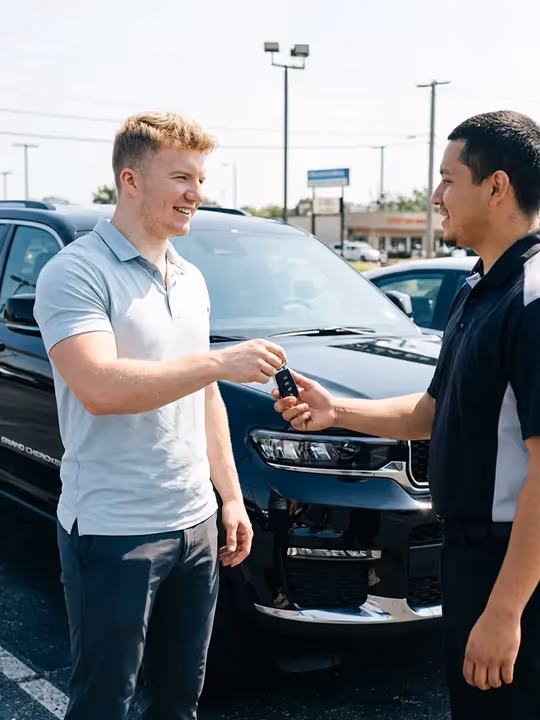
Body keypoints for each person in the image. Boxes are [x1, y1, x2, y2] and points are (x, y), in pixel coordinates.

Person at [273, 110, 540, 719]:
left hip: (513, 568)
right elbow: (432, 411)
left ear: (496, 187)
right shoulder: (481, 288)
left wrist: (504, 612)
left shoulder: (532, 299)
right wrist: (334, 408)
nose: (436, 196)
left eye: (448, 179)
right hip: (469, 560)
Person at [34, 111, 287, 720]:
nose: (197, 195)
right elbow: (100, 386)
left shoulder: (190, 277)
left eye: (200, 179)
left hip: (195, 524)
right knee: (104, 702)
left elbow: (204, 396)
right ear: (130, 180)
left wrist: (228, 497)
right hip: (114, 529)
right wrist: (218, 364)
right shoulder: (75, 272)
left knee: (179, 699)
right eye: (181, 177)